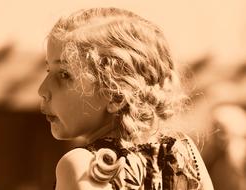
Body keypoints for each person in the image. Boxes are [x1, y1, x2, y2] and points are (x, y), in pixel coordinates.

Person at [38, 7, 214, 190]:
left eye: (64, 74)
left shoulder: (82, 166)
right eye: (48, 70)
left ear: (116, 95)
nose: (42, 89)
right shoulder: (184, 154)